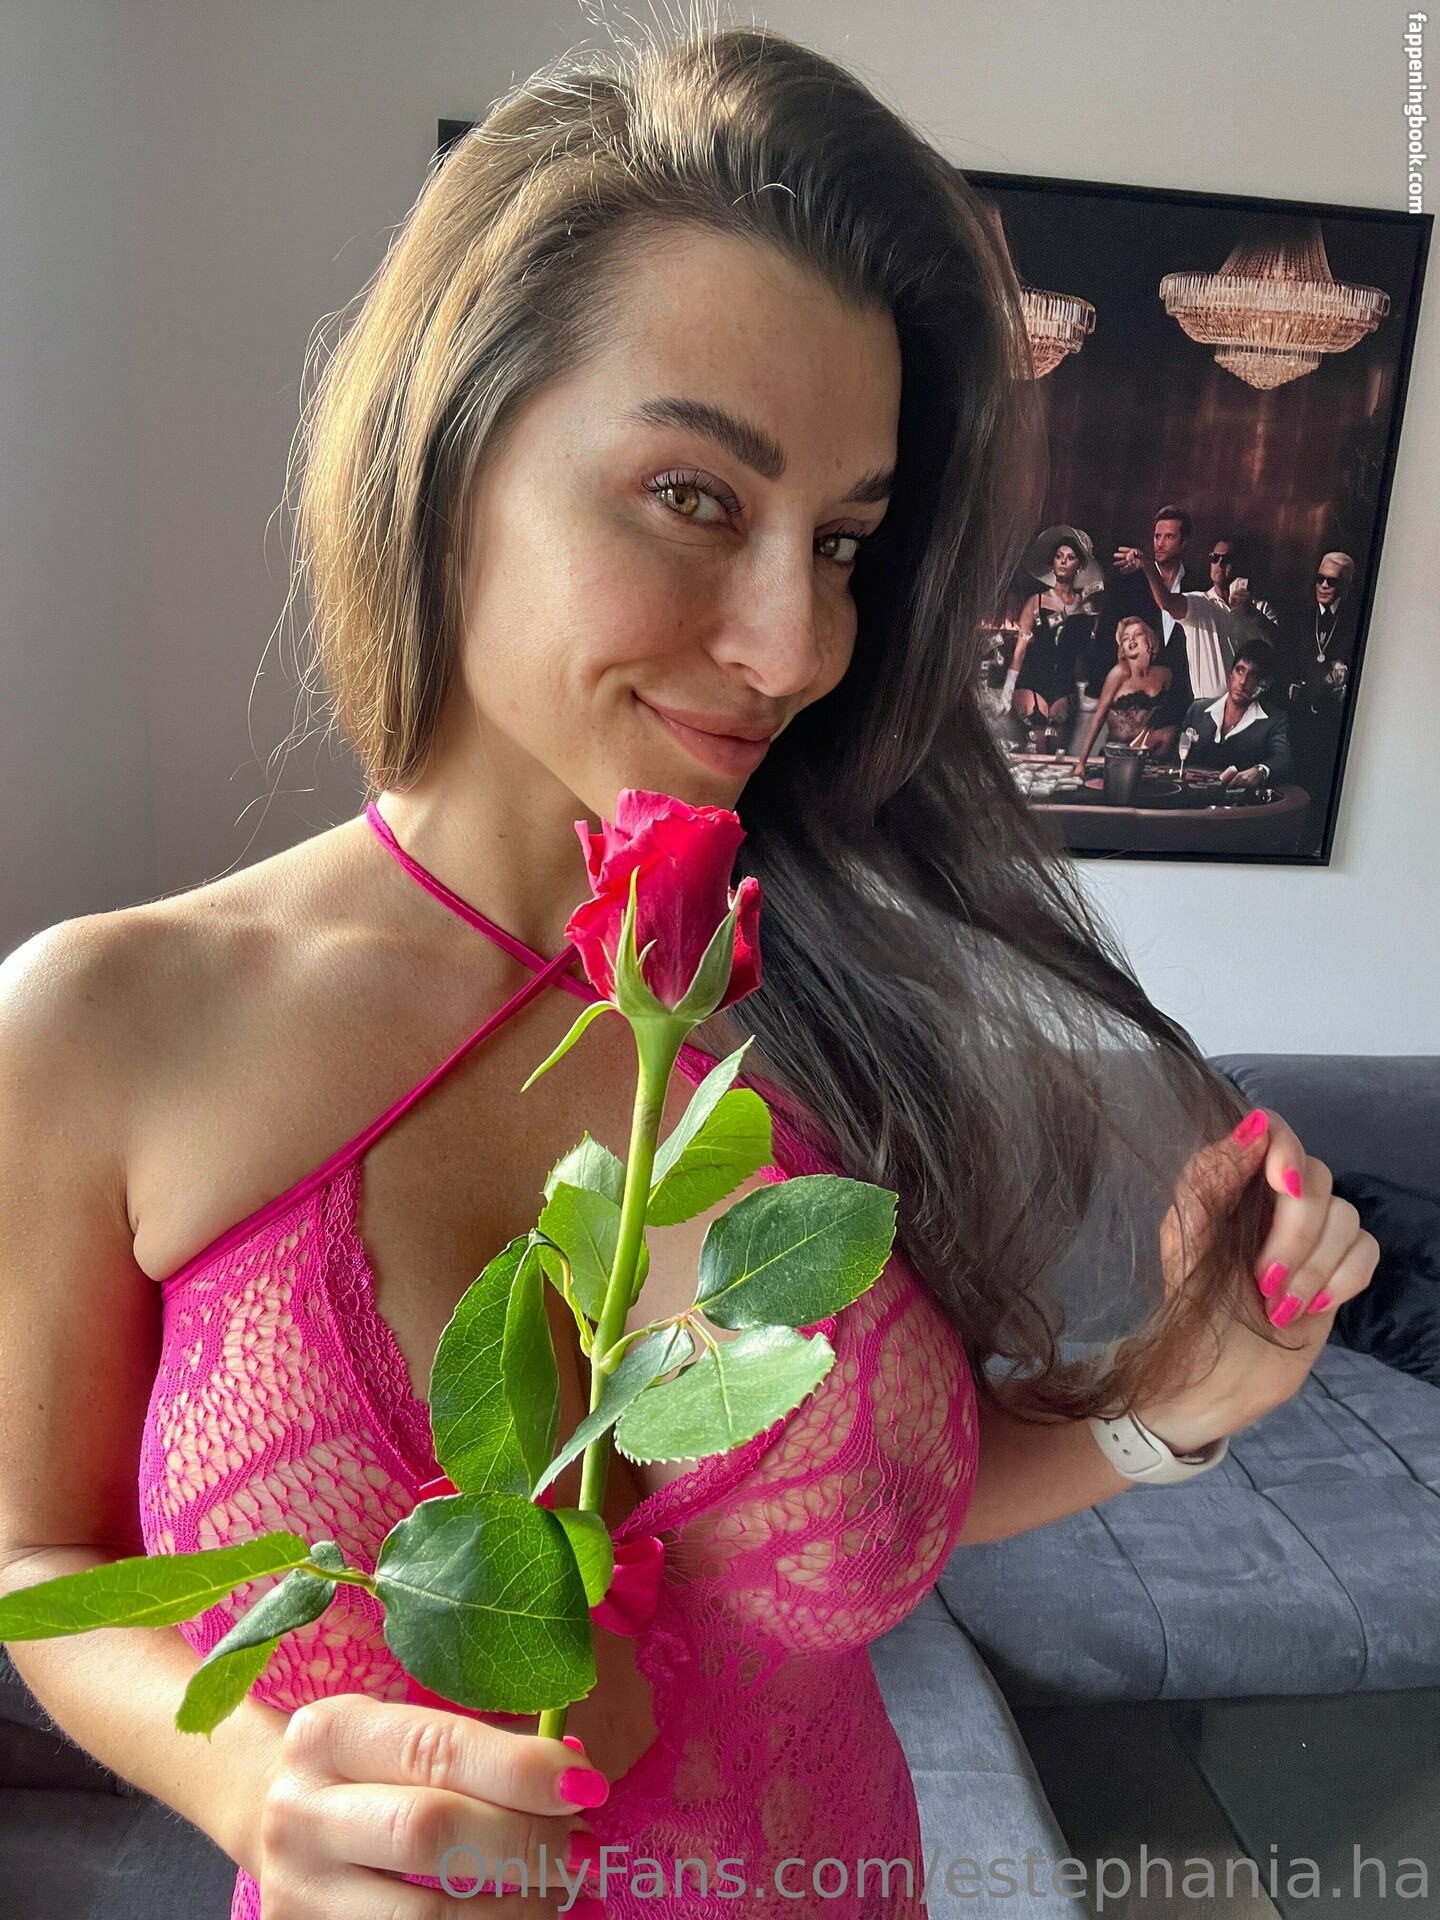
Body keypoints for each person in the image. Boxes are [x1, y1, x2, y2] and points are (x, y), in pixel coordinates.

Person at [0, 25, 1376, 1920]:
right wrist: (247, 1783)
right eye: (695, 497)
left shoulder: (826, 1004)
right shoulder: (101, 1029)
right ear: (452, 453)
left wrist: (1180, 1398)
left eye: (848, 541)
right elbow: (42, 1562)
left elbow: (864, 1505)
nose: (795, 644)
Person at [1113, 517, 1237, 730]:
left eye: (1169, 537)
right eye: (1157, 536)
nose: (1160, 544)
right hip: (1134, 694)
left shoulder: (1198, 585)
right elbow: (1111, 635)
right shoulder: (1130, 582)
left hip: (1183, 700)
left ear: (1184, 542)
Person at [1283, 550, 1360, 800]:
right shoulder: (1300, 613)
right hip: (1298, 720)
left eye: (1332, 581)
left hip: (1332, 726)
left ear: (1346, 584)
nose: (1324, 585)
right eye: (1320, 579)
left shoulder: (1355, 620)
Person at [1007, 529, 1094, 751]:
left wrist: (1086, 690)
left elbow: (1084, 655)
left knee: (1057, 748)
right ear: (1052, 563)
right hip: (1033, 681)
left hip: (1065, 687)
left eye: (1070, 557)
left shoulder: (1086, 609)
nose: (1063, 562)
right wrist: (1008, 686)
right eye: (1059, 556)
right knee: (1037, 744)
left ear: (1079, 566)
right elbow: (1020, 649)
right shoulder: (1036, 602)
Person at [1179, 636, 1296, 789]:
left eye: (1253, 675)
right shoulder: (1198, 709)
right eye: (1240, 671)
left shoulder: (1274, 720)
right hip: (1191, 797)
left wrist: (1261, 771)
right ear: (1230, 675)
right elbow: (1178, 758)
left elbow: (1283, 759)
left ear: (1265, 684)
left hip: (1238, 800)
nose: (1242, 681)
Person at [1070, 616, 1174, 772]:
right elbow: (1099, 717)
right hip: (1117, 754)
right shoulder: (1119, 673)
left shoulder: (1164, 674)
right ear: (1122, 646)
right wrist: (1081, 763)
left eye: (1137, 634)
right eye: (1126, 637)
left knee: (1170, 732)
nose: (1131, 640)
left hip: (1148, 754)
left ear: (1150, 640)